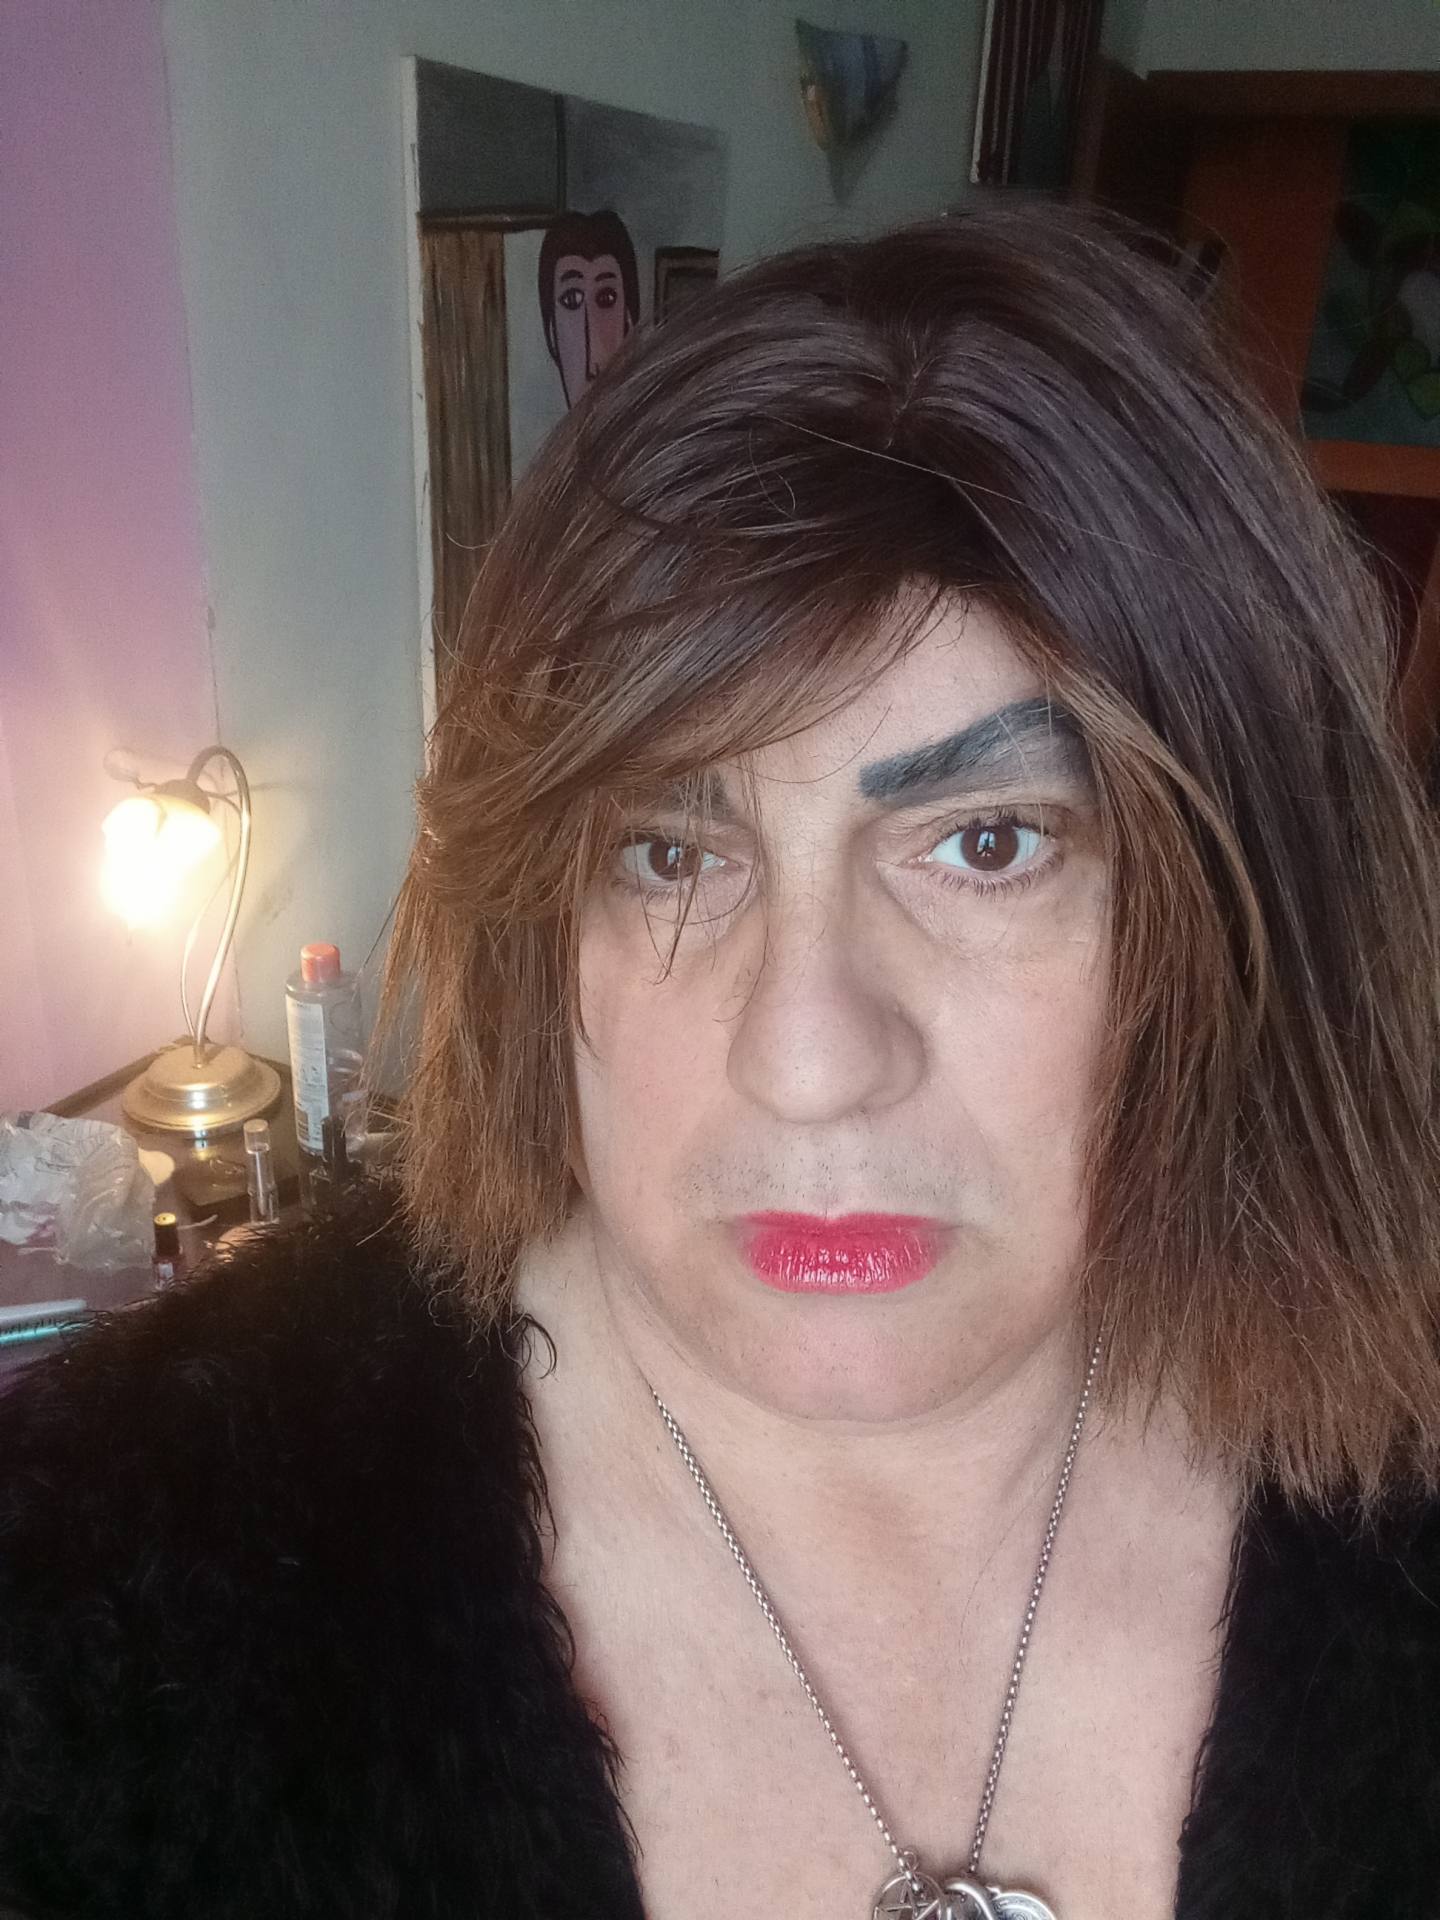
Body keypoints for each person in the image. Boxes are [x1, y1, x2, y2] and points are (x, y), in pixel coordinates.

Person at [3, 201, 1440, 1920]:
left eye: (987, 844)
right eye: (671, 853)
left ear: (1244, 918)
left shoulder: (1399, 1492)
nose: (807, 1060)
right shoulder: (98, 1603)